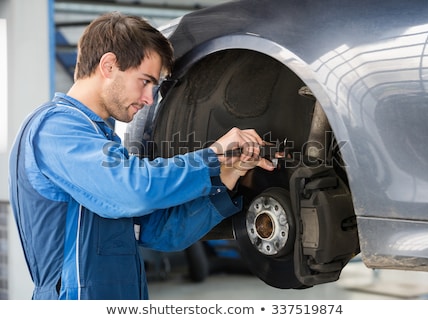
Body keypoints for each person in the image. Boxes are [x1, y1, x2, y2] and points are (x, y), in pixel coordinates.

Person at [8, 12, 274, 300]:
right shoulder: (55, 129)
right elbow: (133, 190)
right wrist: (211, 156)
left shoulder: (101, 140)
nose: (149, 98)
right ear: (109, 65)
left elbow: (160, 232)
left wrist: (228, 174)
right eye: (145, 81)